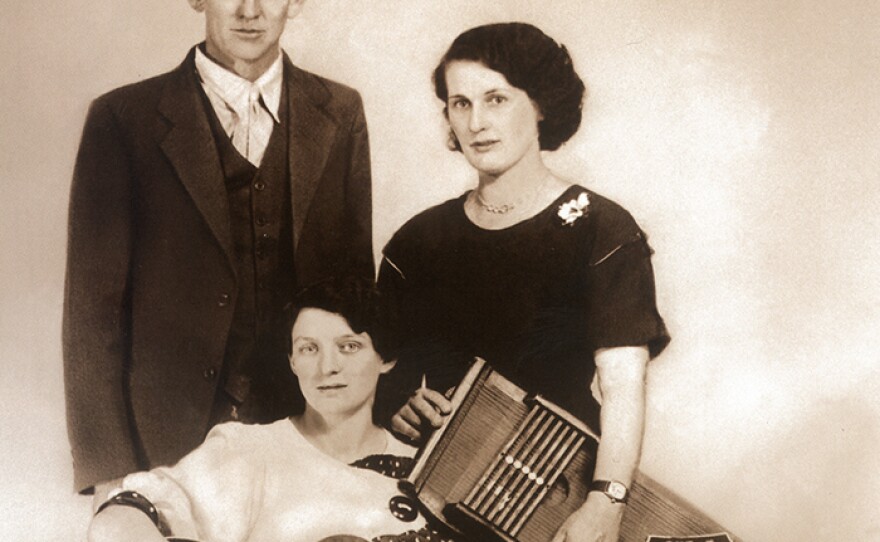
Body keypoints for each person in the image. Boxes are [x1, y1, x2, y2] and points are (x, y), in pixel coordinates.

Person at [63, 0, 374, 502]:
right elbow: (91, 314)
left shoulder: (341, 111)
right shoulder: (122, 119)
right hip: (163, 445)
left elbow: (357, 295)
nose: (250, 10)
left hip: (306, 439)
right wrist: (112, 475)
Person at [378, 23, 670, 542]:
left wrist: (606, 504)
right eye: (460, 103)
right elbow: (378, 375)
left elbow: (623, 385)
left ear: (540, 105)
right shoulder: (419, 240)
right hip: (438, 494)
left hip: (558, 496)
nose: (477, 122)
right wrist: (399, 402)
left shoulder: (601, 229)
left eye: (496, 99)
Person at [87, 277, 450, 542]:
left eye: (349, 346)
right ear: (292, 360)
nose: (327, 367)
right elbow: (120, 520)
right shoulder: (250, 451)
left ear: (386, 359)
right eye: (309, 349)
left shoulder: (425, 467)